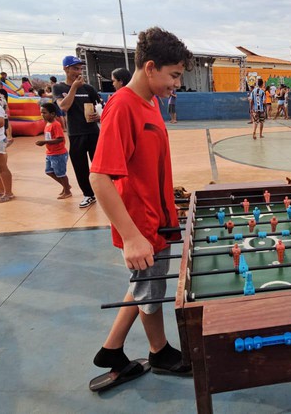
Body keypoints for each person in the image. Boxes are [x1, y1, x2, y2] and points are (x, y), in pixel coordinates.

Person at [88, 27, 193, 392]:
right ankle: (159, 351)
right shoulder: (123, 106)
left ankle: (111, 349)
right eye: (174, 75)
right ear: (150, 67)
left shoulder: (150, 103)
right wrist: (132, 237)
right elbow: (99, 177)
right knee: (150, 289)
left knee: (145, 284)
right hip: (140, 222)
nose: (177, 84)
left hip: (156, 217)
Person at [53, 56, 103, 208]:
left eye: (80, 69)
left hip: (93, 132)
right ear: (66, 69)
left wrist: (99, 115)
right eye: (75, 68)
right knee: (80, 167)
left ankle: (107, 193)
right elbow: (64, 107)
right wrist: (74, 88)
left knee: (100, 166)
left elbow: (101, 106)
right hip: (76, 134)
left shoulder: (88, 88)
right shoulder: (59, 88)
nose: (79, 72)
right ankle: (88, 195)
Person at [35, 103, 72, 199]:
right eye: (41, 113)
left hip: (58, 154)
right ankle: (66, 186)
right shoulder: (48, 123)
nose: (42, 115)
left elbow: (60, 139)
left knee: (61, 174)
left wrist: (44, 142)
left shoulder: (56, 125)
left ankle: (67, 191)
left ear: (52, 114)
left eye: (44, 113)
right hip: (50, 153)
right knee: (49, 171)